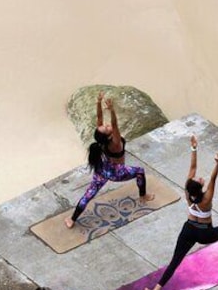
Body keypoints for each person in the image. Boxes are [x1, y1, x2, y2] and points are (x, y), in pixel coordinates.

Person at [143, 135, 218, 290]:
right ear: (200, 187)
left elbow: (192, 167)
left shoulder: (187, 192)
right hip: (205, 234)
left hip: (188, 230)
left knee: (175, 261)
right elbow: (213, 178)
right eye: (199, 180)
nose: (199, 177)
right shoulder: (206, 198)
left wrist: (194, 148)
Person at [65, 91, 155, 228]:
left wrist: (98, 102)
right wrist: (112, 110)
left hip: (102, 170)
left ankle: (72, 219)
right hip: (116, 172)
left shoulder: (101, 140)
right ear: (108, 136)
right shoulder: (115, 142)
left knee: (89, 195)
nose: (107, 125)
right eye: (107, 128)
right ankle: (143, 196)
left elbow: (100, 119)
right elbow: (115, 124)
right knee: (140, 171)